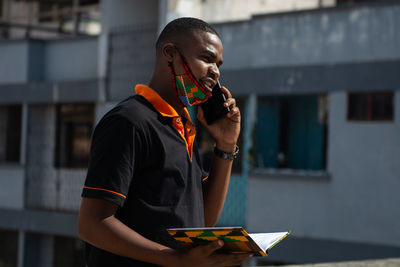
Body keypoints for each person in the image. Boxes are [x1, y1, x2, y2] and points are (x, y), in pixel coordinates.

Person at [78, 17, 251, 267]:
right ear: (170, 54)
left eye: (219, 64)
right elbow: (92, 224)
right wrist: (176, 260)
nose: (216, 71)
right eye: (207, 58)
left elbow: (204, 219)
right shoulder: (129, 121)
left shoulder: (182, 127)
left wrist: (225, 145)